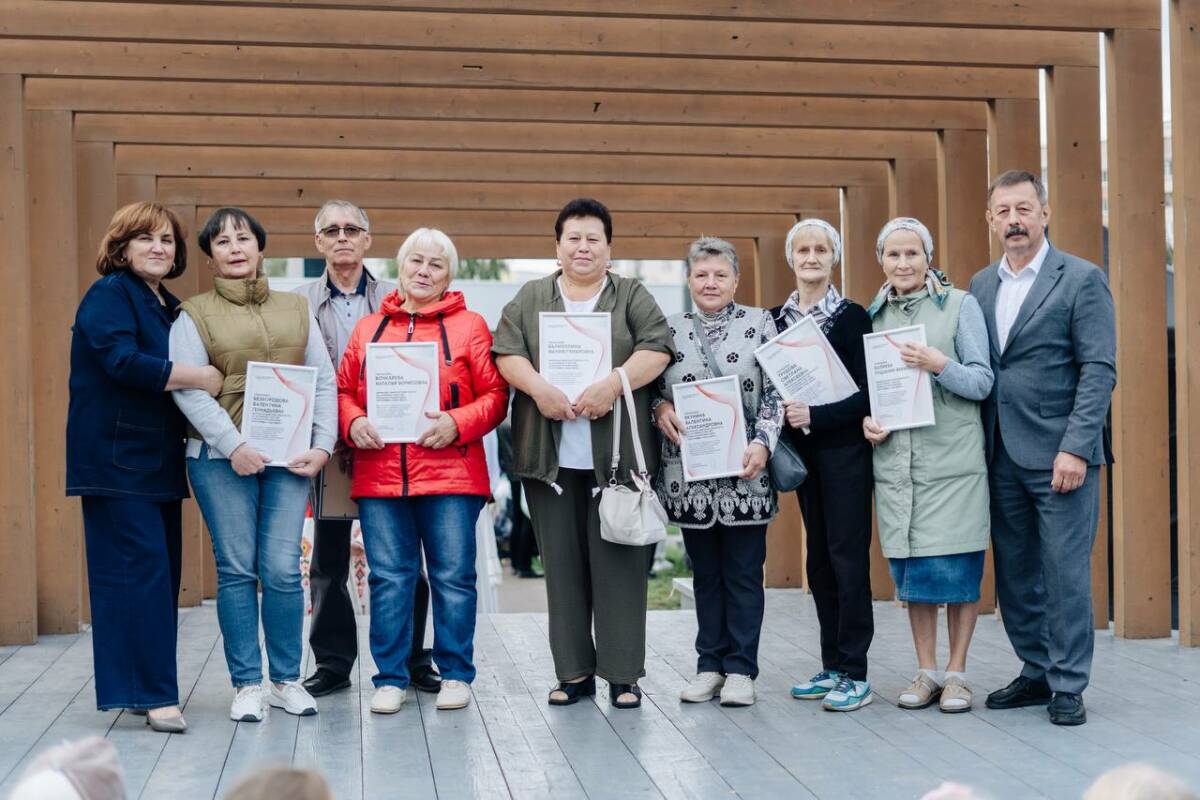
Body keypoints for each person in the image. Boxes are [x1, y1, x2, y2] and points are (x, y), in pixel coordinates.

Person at [493, 198, 673, 709]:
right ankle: (572, 673)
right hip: (550, 458)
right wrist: (539, 390)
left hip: (616, 459)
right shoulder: (531, 296)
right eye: (573, 238)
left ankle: (622, 675)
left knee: (620, 566)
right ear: (557, 246)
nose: (583, 247)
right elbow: (507, 352)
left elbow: (657, 348)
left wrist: (613, 385)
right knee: (563, 569)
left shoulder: (631, 294)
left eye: (594, 238)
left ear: (609, 248)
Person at [170, 207, 337, 722]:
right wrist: (233, 445)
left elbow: (323, 380)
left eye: (243, 238)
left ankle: (286, 680)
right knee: (237, 569)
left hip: (289, 457)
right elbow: (189, 391)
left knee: (283, 569)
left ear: (261, 248)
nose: (235, 248)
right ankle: (246, 684)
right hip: (218, 459)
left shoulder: (296, 308)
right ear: (210, 257)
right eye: (222, 242)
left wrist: (323, 445)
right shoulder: (192, 314)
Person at [66, 202, 224, 734]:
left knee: (156, 578)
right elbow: (122, 361)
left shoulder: (168, 305)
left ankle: (140, 688)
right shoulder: (109, 295)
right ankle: (156, 696)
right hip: (115, 463)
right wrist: (199, 376)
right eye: (145, 238)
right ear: (122, 246)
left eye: (167, 240)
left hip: (155, 461)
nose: (159, 247)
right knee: (139, 576)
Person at [337, 228, 508, 713]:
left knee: (453, 577)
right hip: (381, 475)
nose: (424, 271)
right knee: (389, 578)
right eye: (416, 260)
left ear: (449, 275)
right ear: (401, 266)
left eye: (436, 264)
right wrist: (354, 421)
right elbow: (343, 390)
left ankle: (455, 674)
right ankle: (390, 677)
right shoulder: (369, 329)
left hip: (452, 475)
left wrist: (457, 422)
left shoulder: (471, 326)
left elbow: (496, 396)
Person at [969, 170, 1116, 726]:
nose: (1015, 220)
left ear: (1044, 214)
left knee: (1064, 574)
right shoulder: (981, 285)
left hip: (1061, 456)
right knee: (1014, 573)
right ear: (991, 219)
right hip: (1000, 452)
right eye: (1004, 211)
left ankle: (1068, 683)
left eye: (1024, 209)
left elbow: (1098, 370)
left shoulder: (1081, 278)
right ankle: (1036, 669)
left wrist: (1076, 447)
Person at [293, 200, 440, 699]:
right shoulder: (298, 303)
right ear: (318, 242)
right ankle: (333, 664)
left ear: (367, 239)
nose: (342, 237)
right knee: (328, 560)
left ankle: (413, 659)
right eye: (332, 230)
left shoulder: (399, 296)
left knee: (403, 558)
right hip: (326, 445)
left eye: (352, 229)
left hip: (390, 445)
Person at [862, 218, 993, 713]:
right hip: (898, 466)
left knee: (958, 569)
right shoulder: (871, 317)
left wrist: (939, 364)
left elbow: (982, 381)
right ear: (881, 260)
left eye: (912, 253)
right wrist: (868, 421)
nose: (903, 263)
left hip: (952, 465)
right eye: (893, 254)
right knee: (914, 572)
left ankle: (957, 674)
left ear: (928, 257)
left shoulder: (961, 306)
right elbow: (868, 394)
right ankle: (927, 671)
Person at [652, 237, 782, 707]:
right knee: (705, 575)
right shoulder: (668, 329)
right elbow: (651, 389)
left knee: (744, 574)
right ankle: (709, 665)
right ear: (689, 280)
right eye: (701, 275)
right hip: (691, 477)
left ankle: (741, 669)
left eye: (720, 275)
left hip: (747, 472)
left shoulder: (760, 323)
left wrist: (763, 441)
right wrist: (660, 409)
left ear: (735, 281)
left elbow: (776, 391)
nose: (710, 283)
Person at [773, 218, 876, 712]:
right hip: (804, 458)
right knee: (819, 561)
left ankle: (856, 672)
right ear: (790, 258)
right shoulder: (775, 321)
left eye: (821, 249)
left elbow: (869, 394)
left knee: (847, 559)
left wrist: (817, 415)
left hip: (846, 455)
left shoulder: (853, 317)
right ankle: (832, 665)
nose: (811, 257)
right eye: (803, 250)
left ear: (834, 257)